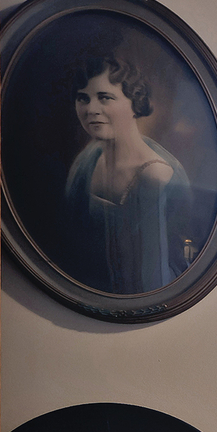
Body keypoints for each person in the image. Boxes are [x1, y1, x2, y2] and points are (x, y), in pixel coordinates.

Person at [64, 55, 191, 295]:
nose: (91, 110)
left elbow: (152, 278)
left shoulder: (154, 175)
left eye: (104, 98)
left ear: (135, 103)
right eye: (83, 98)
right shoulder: (87, 159)